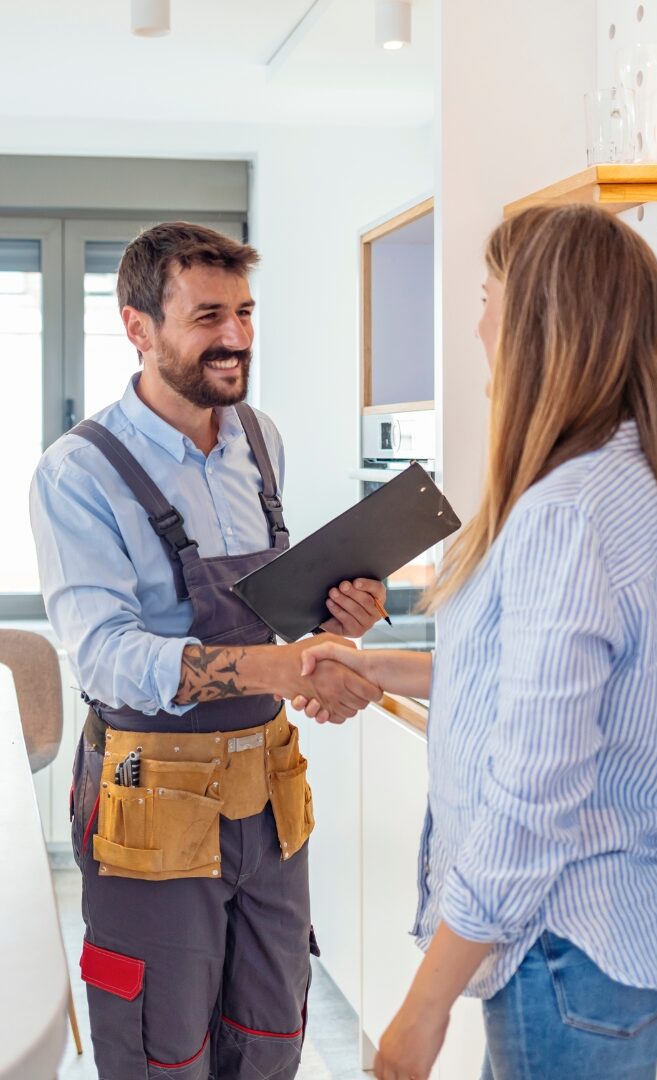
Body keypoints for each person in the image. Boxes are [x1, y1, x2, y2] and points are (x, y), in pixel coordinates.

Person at [295, 204, 657, 1080]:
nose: (477, 323)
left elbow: (534, 789)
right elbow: (518, 685)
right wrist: (373, 665)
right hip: (611, 951)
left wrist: (425, 1002)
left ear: (535, 322)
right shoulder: (633, 482)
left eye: (488, 297)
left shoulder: (566, 512)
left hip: (563, 947)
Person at [29, 221, 386, 1080]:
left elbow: (270, 614)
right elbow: (108, 656)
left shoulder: (258, 440)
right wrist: (281, 666)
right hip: (153, 804)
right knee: (163, 1049)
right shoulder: (77, 474)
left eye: (246, 313)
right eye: (208, 317)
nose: (235, 338)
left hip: (269, 797)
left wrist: (338, 620)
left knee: (269, 1035)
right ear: (139, 327)